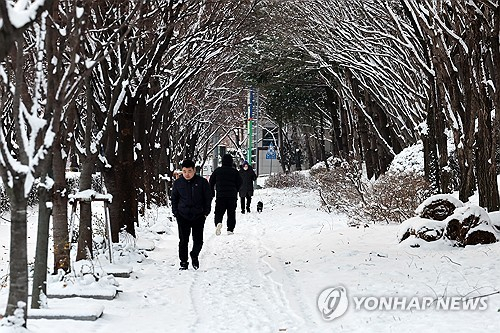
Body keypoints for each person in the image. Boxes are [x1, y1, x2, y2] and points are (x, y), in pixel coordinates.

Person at [171, 159, 213, 270]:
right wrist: (176, 213)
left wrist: (206, 212)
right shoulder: (178, 183)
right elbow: (174, 198)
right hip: (183, 216)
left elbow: (208, 198)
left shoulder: (202, 182)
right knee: (183, 240)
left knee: (198, 240)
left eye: (189, 171)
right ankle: (183, 262)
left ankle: (194, 255)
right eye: (184, 171)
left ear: (194, 170)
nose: (187, 174)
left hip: (199, 216)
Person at [209, 154, 242, 235]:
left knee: (218, 212)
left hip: (220, 196)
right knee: (231, 213)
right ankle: (230, 229)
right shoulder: (235, 172)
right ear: (231, 162)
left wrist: (212, 192)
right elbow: (240, 182)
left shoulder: (217, 171)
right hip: (232, 196)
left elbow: (211, 182)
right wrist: (236, 189)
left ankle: (218, 223)